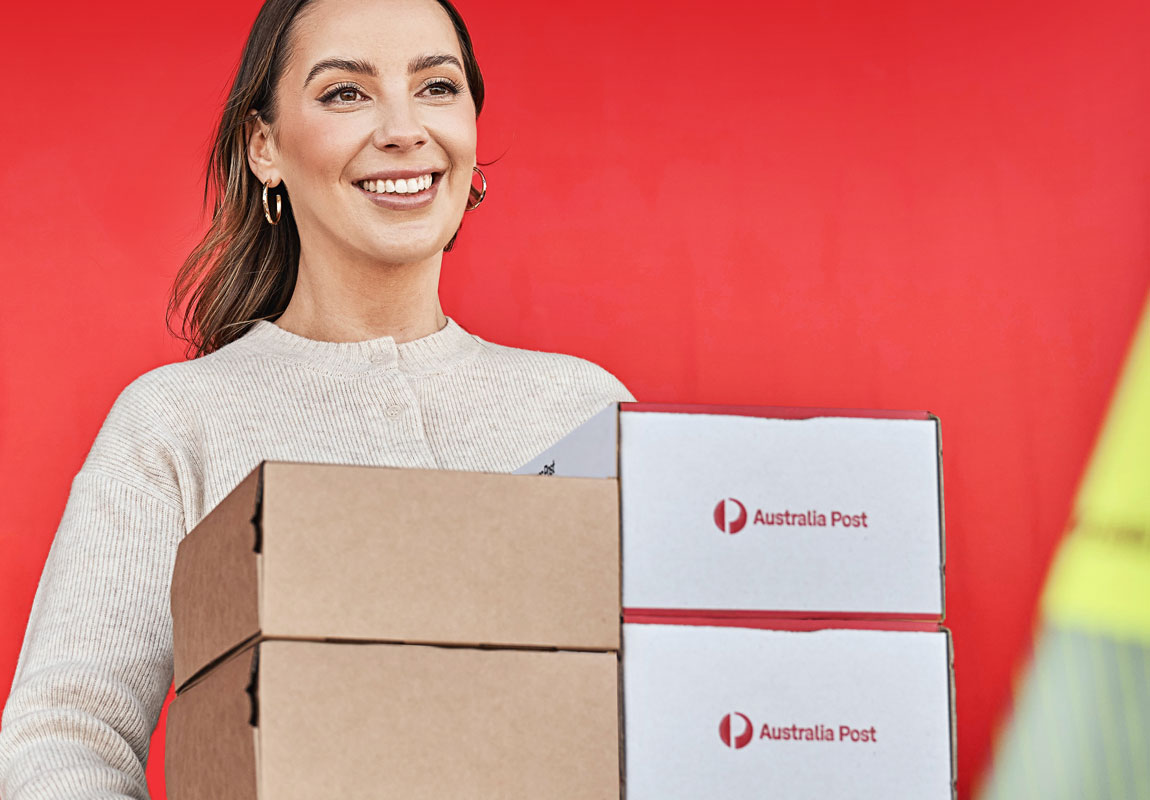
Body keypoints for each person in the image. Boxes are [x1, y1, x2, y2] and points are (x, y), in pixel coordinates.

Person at [0, 0, 633, 795]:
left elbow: (668, 702)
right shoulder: (178, 425)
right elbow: (64, 736)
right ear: (264, 146)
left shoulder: (586, 410)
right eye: (346, 93)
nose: (405, 128)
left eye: (437, 87)